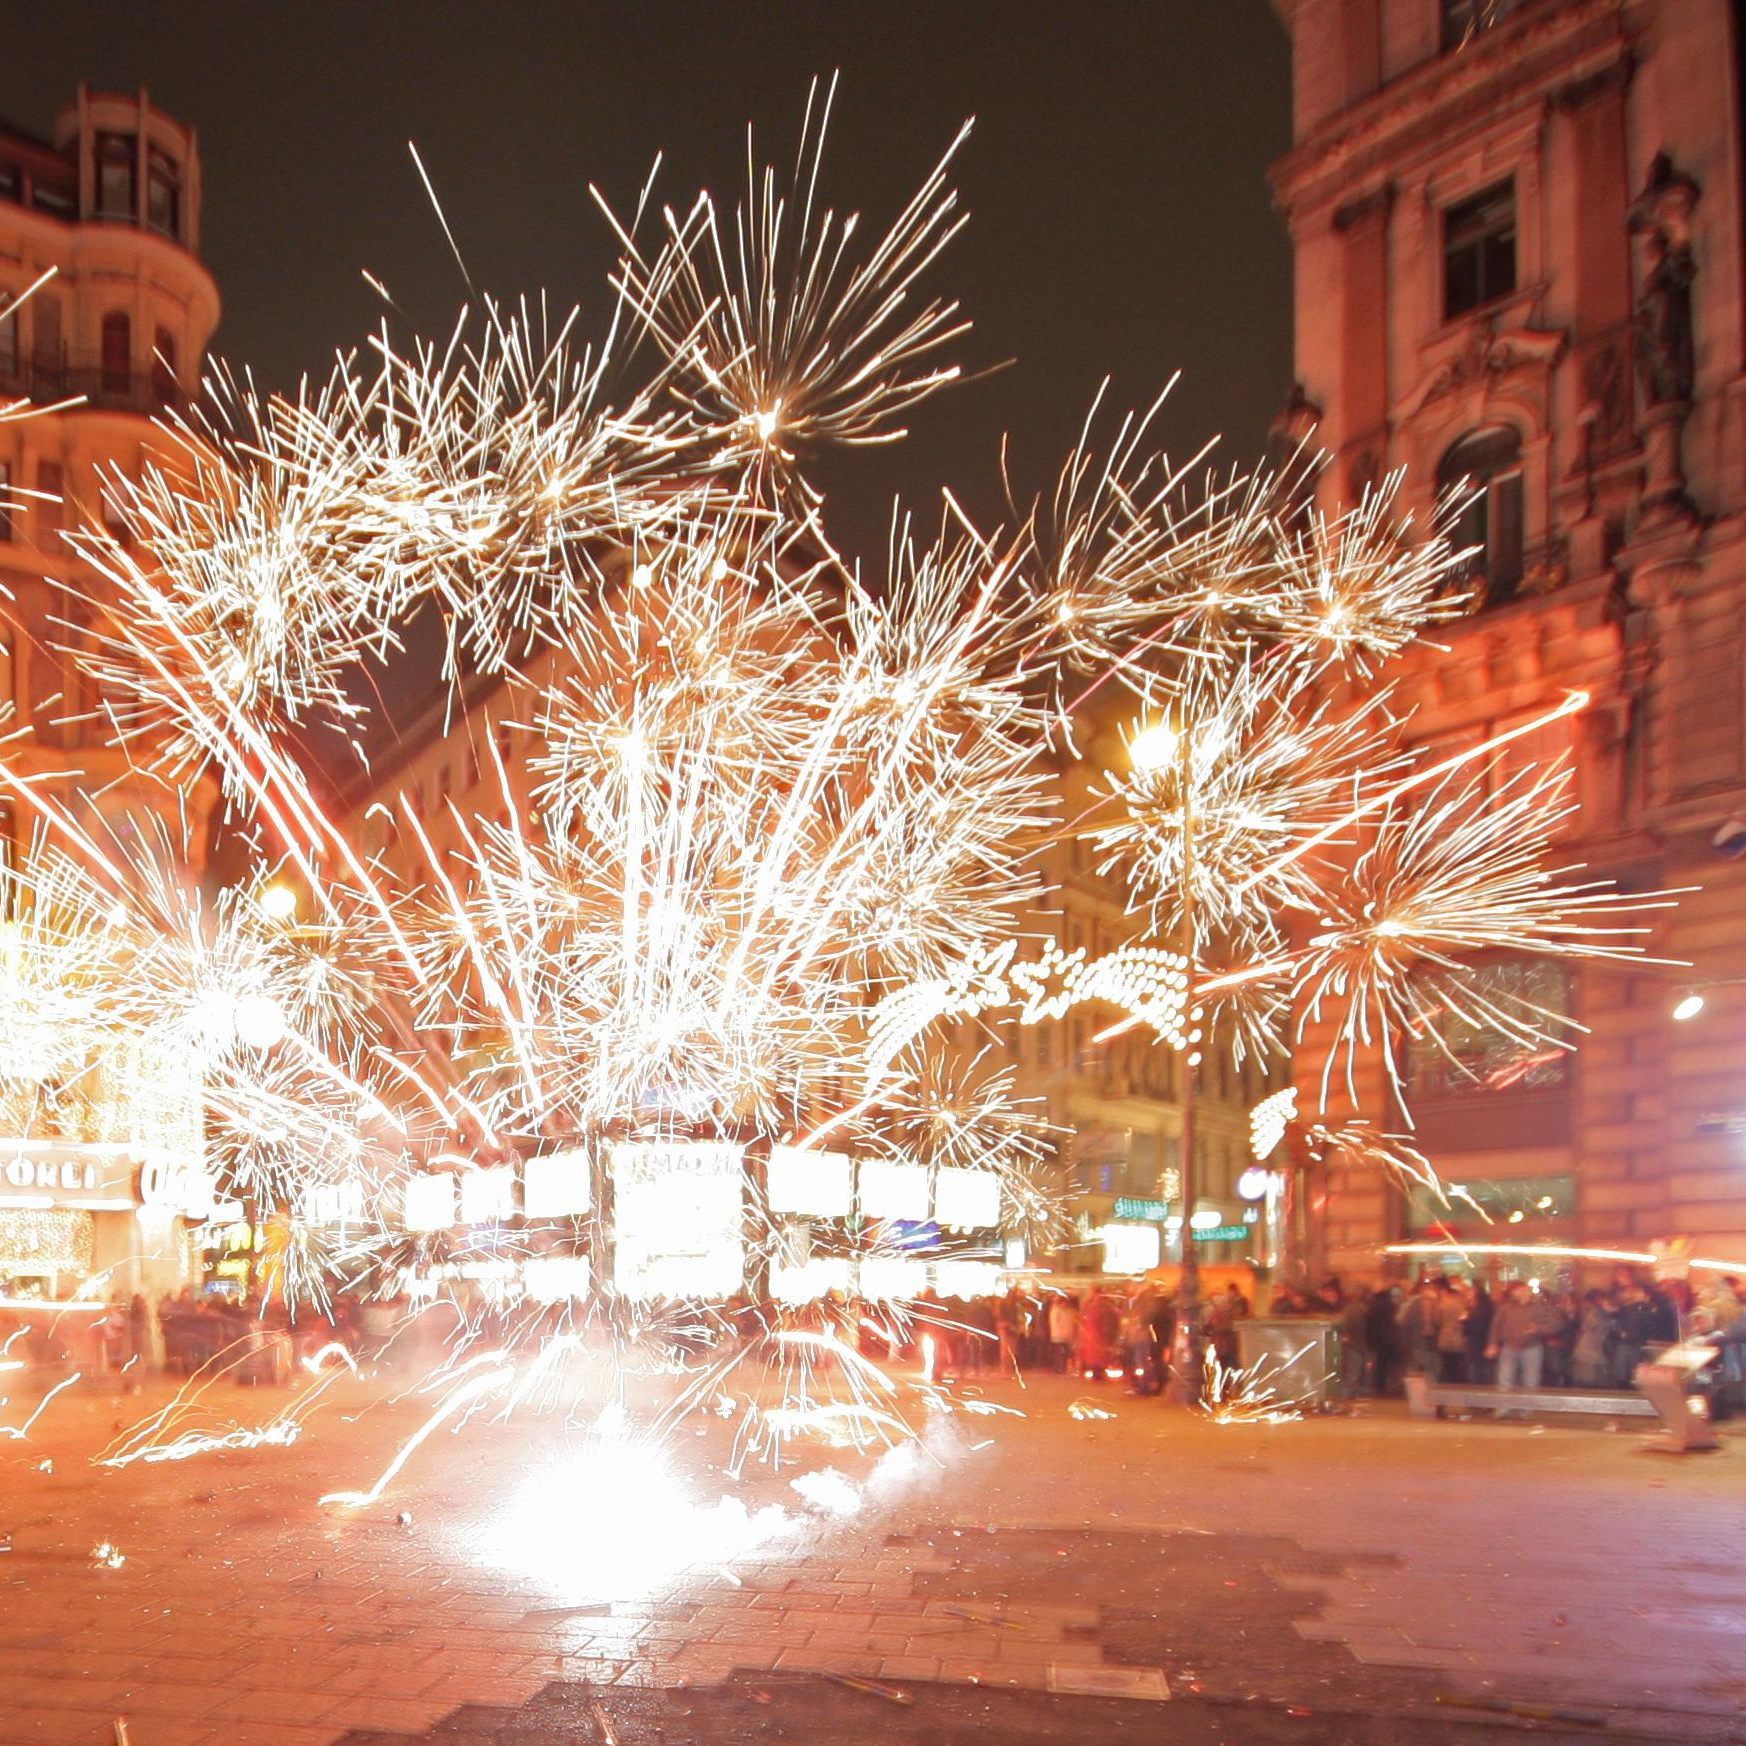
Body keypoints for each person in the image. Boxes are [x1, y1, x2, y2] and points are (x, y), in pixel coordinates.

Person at [1487, 1281, 1546, 1410]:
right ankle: (1503, 1408)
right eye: (1513, 1291)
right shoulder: (1506, 1307)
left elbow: (1551, 1324)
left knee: (1530, 1380)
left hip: (1531, 1347)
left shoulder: (1539, 1307)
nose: (1514, 1293)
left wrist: (1538, 1329)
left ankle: (1526, 1409)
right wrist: (1493, 1343)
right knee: (1505, 1379)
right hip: (1509, 1347)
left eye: (1517, 1290)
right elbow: (1496, 1325)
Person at [1571, 1290, 1618, 1388]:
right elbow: (1590, 1327)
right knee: (1588, 1384)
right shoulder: (1598, 1315)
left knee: (1593, 1385)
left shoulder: (1599, 1314)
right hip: (1589, 1355)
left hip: (1593, 1354)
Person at [1366, 1284, 1402, 1396]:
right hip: (1390, 1339)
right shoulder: (1391, 1307)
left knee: (1379, 1364)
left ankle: (1379, 1386)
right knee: (1388, 1364)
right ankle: (1389, 1385)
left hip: (1378, 1339)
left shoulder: (1373, 1307)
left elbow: (1370, 1324)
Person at [1432, 1278, 1469, 1383]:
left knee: (1446, 1364)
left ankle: (1447, 1384)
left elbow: (1436, 1321)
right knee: (1458, 1364)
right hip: (1459, 1336)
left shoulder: (1441, 1304)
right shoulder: (1463, 1303)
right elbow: (1466, 1318)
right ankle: (1458, 1384)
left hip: (1445, 1337)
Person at [1047, 1292, 1079, 1374]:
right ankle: (1058, 1368)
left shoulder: (1068, 1311)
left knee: (1065, 1353)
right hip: (1058, 1336)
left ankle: (1063, 1368)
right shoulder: (1056, 1310)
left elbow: (1072, 1322)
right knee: (1058, 1353)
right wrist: (1060, 1332)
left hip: (1066, 1336)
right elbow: (1054, 1323)